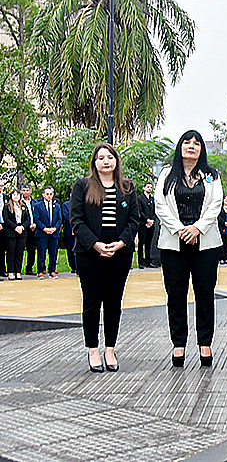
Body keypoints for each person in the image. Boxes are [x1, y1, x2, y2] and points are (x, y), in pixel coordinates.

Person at [155, 130, 223, 368]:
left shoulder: (212, 175)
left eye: (196, 143)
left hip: (205, 244)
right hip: (173, 244)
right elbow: (160, 206)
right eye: (187, 142)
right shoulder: (166, 174)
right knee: (175, 295)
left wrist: (197, 229)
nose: (191, 146)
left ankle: (205, 344)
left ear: (202, 149)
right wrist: (181, 229)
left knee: (205, 294)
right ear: (180, 147)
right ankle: (178, 344)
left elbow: (216, 205)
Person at [70, 143, 140, 373]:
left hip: (119, 254)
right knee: (91, 302)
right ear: (94, 162)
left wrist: (120, 243)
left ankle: (110, 349)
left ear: (116, 161)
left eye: (110, 157)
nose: (106, 161)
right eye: (101, 158)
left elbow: (134, 220)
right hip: (90, 254)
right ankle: (93, 349)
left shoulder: (127, 187)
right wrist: (96, 245)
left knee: (113, 302)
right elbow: (76, 221)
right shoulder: (83, 186)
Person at [33, 186, 63, 279]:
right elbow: (36, 219)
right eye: (47, 194)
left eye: (51, 194)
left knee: (53, 252)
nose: (49, 196)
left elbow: (59, 219)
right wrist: (44, 228)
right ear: (43, 194)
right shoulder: (38, 206)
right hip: (42, 233)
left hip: (54, 233)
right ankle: (41, 271)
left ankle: (52, 270)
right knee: (41, 252)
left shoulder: (57, 206)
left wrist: (55, 228)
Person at [3, 189, 30, 280]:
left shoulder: (23, 206)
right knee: (11, 252)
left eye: (17, 194)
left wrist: (22, 227)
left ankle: (18, 271)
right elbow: (6, 219)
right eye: (14, 194)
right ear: (11, 196)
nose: (16, 196)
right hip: (11, 232)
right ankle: (11, 271)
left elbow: (27, 219)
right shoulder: (7, 207)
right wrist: (15, 227)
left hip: (22, 232)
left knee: (19, 252)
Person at [137, 181, 156, 268]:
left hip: (151, 224)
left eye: (151, 187)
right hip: (143, 224)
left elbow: (154, 211)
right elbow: (139, 211)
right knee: (141, 243)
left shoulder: (152, 199)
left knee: (149, 243)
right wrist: (146, 220)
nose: (149, 189)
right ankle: (141, 261)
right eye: (148, 187)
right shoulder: (140, 199)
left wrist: (152, 220)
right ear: (144, 188)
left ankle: (148, 261)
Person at [20, 183, 36, 277]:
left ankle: (29, 268)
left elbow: (37, 214)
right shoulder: (19, 202)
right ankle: (18, 269)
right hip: (23, 228)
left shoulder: (34, 202)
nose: (26, 192)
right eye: (24, 190)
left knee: (32, 249)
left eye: (27, 190)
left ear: (30, 191)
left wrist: (35, 224)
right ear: (21, 191)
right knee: (20, 249)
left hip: (33, 229)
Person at [61, 193, 77, 274]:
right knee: (70, 249)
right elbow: (66, 216)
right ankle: (73, 267)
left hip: (79, 231)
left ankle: (79, 266)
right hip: (69, 230)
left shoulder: (80, 203)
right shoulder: (66, 205)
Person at [0, 180, 6, 279]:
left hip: (6, 226)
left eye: (1, 186)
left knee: (2, 249)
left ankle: (2, 270)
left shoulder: (6, 197)